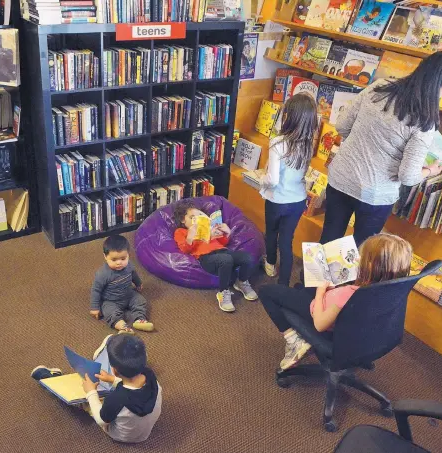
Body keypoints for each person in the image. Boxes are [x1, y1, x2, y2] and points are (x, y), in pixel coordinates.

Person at [320, 51, 442, 247]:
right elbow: (408, 176)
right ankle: (351, 279)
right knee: (363, 251)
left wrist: (364, 142)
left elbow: (342, 125)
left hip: (341, 177)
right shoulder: (424, 121)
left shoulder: (379, 87)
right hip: (375, 193)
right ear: (440, 85)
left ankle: (312, 278)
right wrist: (430, 170)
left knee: (329, 240)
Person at [259, 233, 413, 370]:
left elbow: (319, 324)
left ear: (372, 266)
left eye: (362, 258)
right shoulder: (391, 290)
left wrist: (320, 294)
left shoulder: (347, 295)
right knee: (304, 278)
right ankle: (304, 291)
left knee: (266, 292)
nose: (358, 259)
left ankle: (294, 340)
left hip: (319, 314)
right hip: (359, 333)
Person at [31, 334, 162, 443]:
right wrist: (112, 379)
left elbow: (101, 420)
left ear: (115, 370)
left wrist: (91, 392)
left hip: (121, 435)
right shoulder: (151, 376)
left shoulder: (116, 399)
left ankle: (52, 380)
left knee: (86, 399)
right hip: (144, 433)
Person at [260, 94, 318, 286]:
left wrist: (261, 179)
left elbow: (273, 179)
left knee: (271, 233)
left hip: (277, 200)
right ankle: (284, 281)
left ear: (288, 116)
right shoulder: (309, 143)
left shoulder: (278, 143)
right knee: (286, 241)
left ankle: (270, 265)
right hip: (298, 200)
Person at [173, 200, 258, 313]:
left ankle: (241, 282)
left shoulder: (209, 228)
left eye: (200, 215)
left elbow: (222, 243)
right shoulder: (181, 231)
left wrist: (227, 233)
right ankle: (223, 292)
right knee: (225, 260)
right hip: (207, 258)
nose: (197, 220)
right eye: (192, 218)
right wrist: (190, 237)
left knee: (247, 257)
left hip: (223, 252)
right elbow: (185, 249)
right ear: (184, 220)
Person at [90, 235, 154, 333]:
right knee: (109, 311)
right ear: (105, 256)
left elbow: (133, 274)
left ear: (128, 254)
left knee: (141, 301)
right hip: (111, 300)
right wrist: (94, 307)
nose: (119, 263)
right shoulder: (103, 274)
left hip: (129, 294)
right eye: (114, 260)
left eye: (123, 259)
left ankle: (140, 320)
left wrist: (138, 283)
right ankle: (122, 326)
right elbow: (96, 290)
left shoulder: (129, 265)